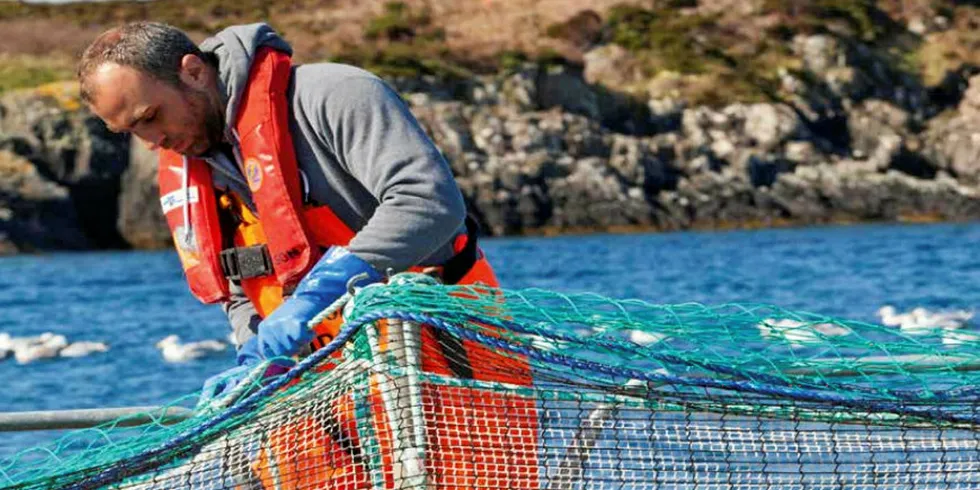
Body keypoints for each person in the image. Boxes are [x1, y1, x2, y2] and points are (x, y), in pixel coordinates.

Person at [78, 22, 540, 489]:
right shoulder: (191, 166)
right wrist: (254, 358)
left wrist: (321, 290)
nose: (150, 141)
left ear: (194, 72)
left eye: (150, 116)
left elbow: (428, 202)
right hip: (311, 388)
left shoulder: (336, 94)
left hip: (442, 356)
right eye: (129, 130)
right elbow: (237, 284)